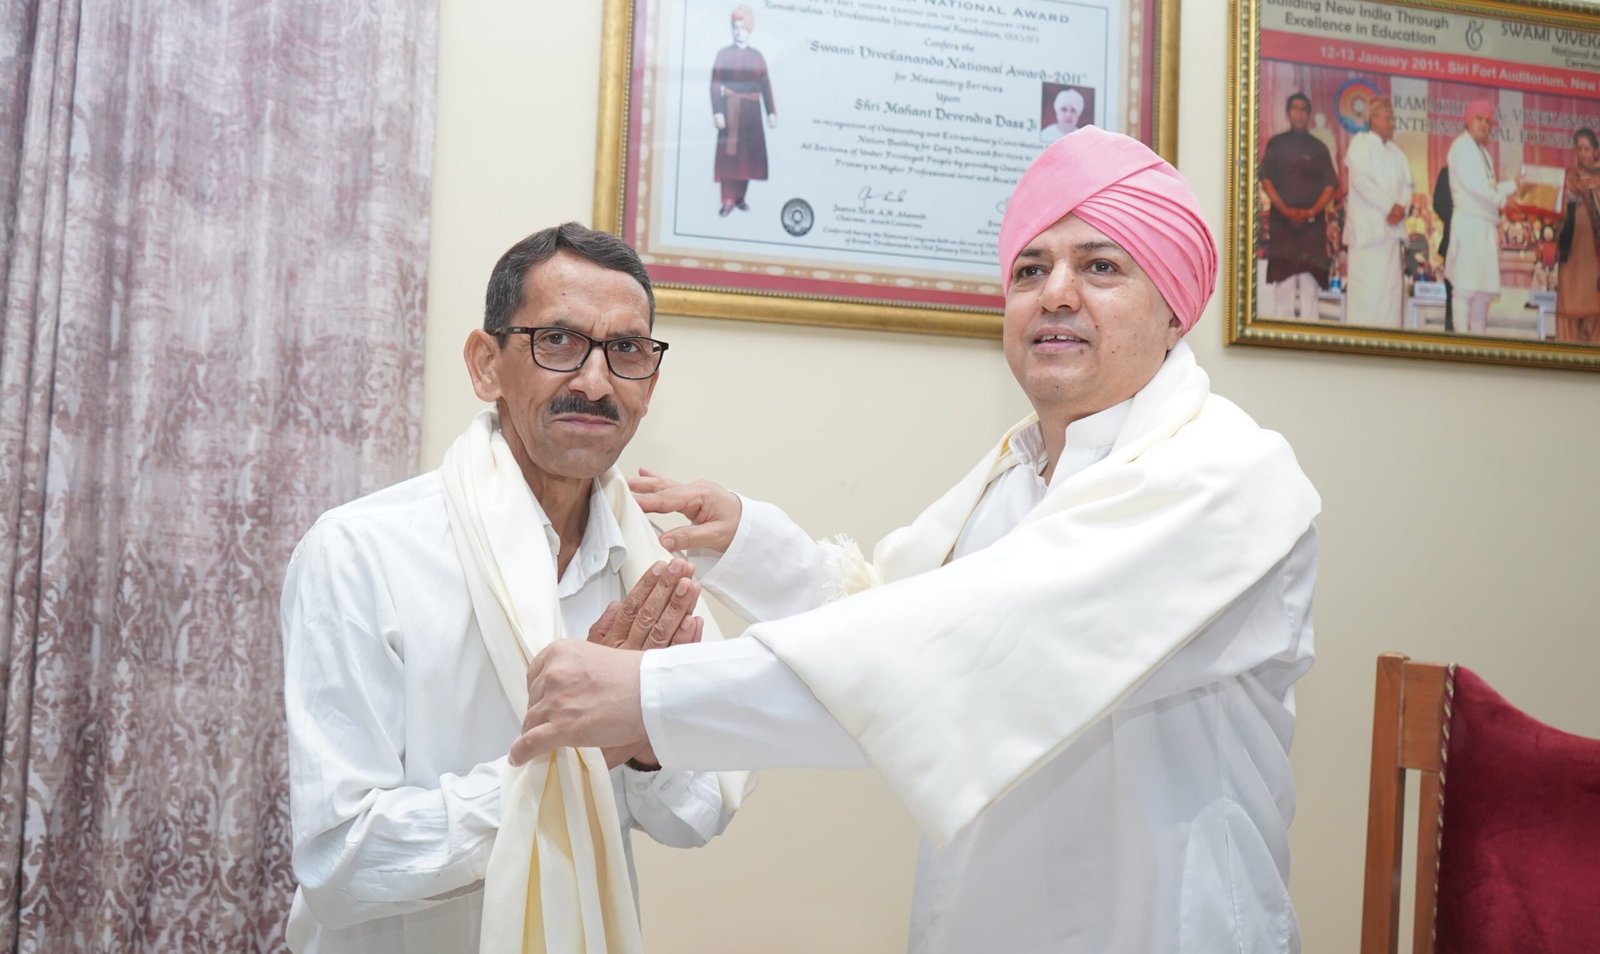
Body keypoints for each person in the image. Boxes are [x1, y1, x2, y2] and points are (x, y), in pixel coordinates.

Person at [510, 128, 1322, 953]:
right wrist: (753, 545)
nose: (1055, 294)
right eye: (1030, 270)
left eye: (1100, 266)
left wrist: (650, 696)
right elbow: (898, 629)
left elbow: (961, 657)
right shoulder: (1016, 472)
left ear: (1175, 307)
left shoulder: (1226, 475)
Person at [279, 224, 745, 953]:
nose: (595, 383)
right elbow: (342, 864)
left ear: (649, 385)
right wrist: (576, 752)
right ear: (486, 365)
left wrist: (642, 739)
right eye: (558, 340)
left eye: (626, 350)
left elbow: (699, 813)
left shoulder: (652, 567)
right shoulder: (360, 552)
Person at [1259, 93, 1339, 319]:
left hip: (1312, 228)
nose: (1299, 113)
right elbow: (1266, 181)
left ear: (1309, 115)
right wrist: (1285, 210)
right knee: (1283, 288)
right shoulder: (1277, 144)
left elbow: (1331, 185)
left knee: (1309, 286)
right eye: (1295, 108)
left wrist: (1311, 212)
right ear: (1287, 112)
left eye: (1304, 109)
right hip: (1282, 225)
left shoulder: (1318, 148)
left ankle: (1309, 336)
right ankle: (1280, 338)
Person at [1445, 100, 1519, 334]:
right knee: (1465, 289)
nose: (1484, 125)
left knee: (1483, 293)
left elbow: (1489, 187)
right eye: (1479, 119)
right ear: (1468, 121)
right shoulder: (1461, 147)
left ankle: (1479, 343)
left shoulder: (1483, 153)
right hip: (1469, 225)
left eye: (1488, 121)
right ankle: (1461, 343)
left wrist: (1514, 185)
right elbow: (1474, 186)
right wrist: (1504, 202)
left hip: (1485, 227)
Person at [1343, 97, 1413, 328]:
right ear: (1373, 119)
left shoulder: (1397, 153)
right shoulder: (1360, 144)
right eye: (1388, 118)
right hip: (1367, 235)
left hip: (1390, 236)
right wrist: (1390, 207)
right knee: (1367, 297)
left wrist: (1402, 207)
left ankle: (1388, 343)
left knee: (1390, 296)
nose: (1392, 123)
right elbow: (1362, 183)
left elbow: (1407, 187)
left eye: (1392, 118)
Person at [711, 5, 776, 217]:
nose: (738, 32)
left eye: (742, 28)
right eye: (735, 27)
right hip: (730, 111)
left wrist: (771, 112)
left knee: (747, 158)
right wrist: (718, 111)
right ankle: (727, 199)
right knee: (730, 158)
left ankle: (740, 197)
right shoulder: (723, 55)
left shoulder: (757, 57)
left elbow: (765, 85)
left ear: (749, 30)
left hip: (752, 115)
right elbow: (715, 83)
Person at [1556, 127, 1600, 343]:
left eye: (1587, 148)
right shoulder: (1569, 177)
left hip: (1594, 253)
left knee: (1593, 305)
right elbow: (1557, 213)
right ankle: (1566, 353)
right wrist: (1566, 201)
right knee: (1568, 303)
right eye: (1579, 148)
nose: (1583, 153)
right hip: (1571, 250)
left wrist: (1586, 194)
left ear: (1596, 151)